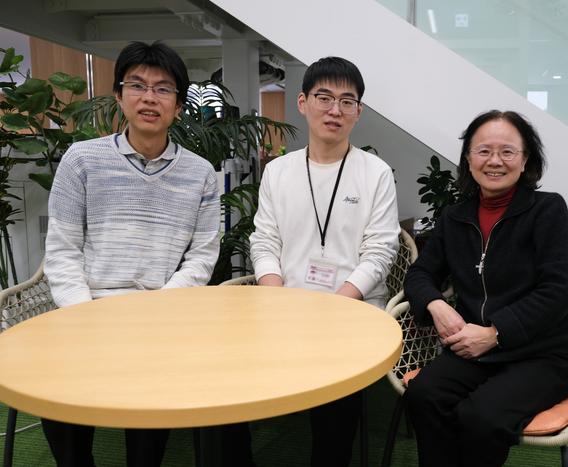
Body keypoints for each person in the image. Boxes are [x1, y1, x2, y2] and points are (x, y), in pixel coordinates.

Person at [42, 41, 221, 467]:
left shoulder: (200, 174)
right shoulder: (81, 160)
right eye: (137, 85)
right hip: (86, 314)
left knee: (150, 407)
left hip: (160, 317)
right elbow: (62, 250)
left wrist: (157, 312)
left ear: (178, 105)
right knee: (55, 397)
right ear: (119, 96)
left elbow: (202, 257)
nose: (149, 97)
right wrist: (85, 317)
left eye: (163, 89)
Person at [403, 110, 568, 467]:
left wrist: (495, 332)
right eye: (484, 150)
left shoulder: (547, 210)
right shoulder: (454, 218)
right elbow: (419, 275)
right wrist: (437, 306)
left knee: (481, 418)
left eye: (507, 151)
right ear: (469, 158)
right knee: (424, 395)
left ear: (525, 160)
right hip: (478, 349)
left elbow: (557, 290)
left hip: (545, 353)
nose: (495, 161)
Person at [248, 56, 400, 466]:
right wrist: (275, 294)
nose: (335, 110)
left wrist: (340, 300)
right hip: (285, 307)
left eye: (347, 101)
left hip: (352, 311)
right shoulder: (278, 172)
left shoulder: (376, 173)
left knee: (335, 407)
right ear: (302, 102)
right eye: (324, 98)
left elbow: (381, 250)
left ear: (358, 111)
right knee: (232, 385)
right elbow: (264, 241)